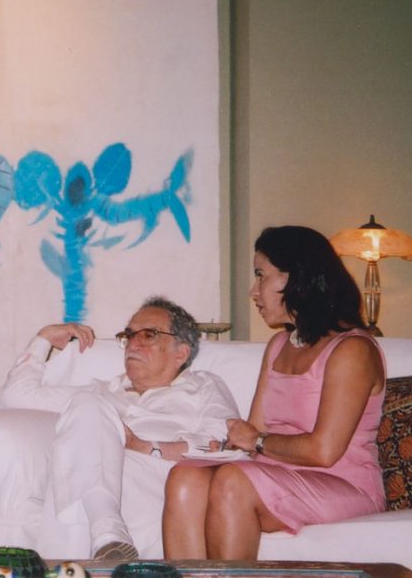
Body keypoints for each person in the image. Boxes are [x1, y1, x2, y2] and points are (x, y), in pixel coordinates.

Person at [162, 225, 386, 560]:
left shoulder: (352, 350)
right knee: (185, 476)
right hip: (278, 475)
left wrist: (256, 442)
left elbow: (323, 451)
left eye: (261, 276)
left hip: (343, 485)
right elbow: (255, 431)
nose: (254, 291)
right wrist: (228, 448)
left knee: (234, 480)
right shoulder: (279, 344)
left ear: (297, 278)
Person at [0, 296, 238, 561]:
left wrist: (144, 446)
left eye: (149, 335)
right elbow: (17, 397)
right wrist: (43, 338)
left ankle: (103, 537)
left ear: (180, 353)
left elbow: (223, 443)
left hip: (163, 483)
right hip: (98, 485)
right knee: (85, 408)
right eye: (129, 334)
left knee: (72, 477)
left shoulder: (204, 386)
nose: (133, 344)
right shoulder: (100, 391)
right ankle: (108, 534)